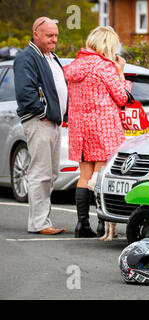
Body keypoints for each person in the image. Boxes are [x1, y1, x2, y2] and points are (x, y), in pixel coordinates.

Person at [63, 26, 131, 238]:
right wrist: (121, 72)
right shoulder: (105, 67)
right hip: (103, 127)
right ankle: (103, 224)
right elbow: (122, 98)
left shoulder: (75, 66)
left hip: (80, 128)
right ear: (107, 45)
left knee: (84, 177)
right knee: (101, 177)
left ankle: (82, 225)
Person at [14, 17, 68, 235]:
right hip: (40, 121)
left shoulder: (50, 57)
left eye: (55, 35)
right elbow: (25, 92)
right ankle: (39, 223)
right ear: (36, 33)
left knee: (51, 172)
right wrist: (44, 112)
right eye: (49, 35)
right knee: (41, 172)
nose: (54, 39)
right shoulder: (27, 57)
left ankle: (42, 220)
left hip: (53, 122)